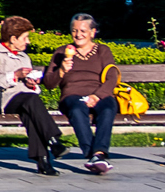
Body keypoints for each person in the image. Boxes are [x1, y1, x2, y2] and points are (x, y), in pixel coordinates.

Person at [0, 15, 63, 175]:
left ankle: (43, 160)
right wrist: (14, 75)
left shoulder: (24, 57)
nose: (28, 42)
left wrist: (31, 84)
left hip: (24, 100)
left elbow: (28, 88)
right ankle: (53, 140)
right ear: (13, 38)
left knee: (30, 109)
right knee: (30, 99)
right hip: (2, 99)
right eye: (25, 38)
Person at [42, 13, 120, 175]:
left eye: (83, 31)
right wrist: (62, 69)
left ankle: (98, 153)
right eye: (74, 31)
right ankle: (95, 156)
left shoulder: (103, 51)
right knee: (77, 109)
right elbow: (49, 83)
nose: (78, 35)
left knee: (108, 108)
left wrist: (97, 96)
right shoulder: (62, 52)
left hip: (99, 94)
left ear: (93, 32)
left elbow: (112, 77)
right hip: (72, 95)